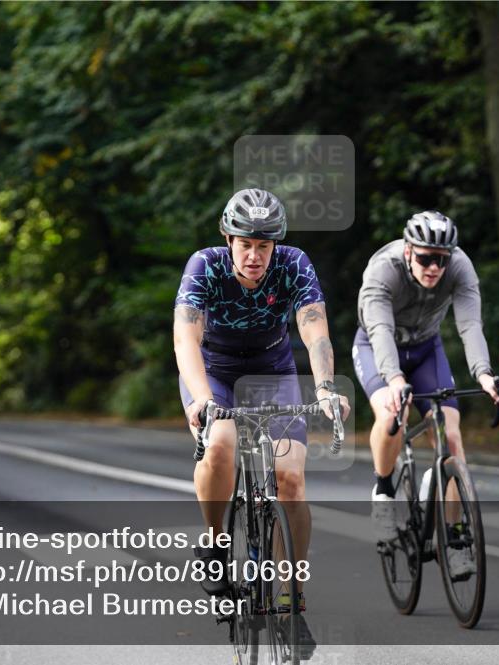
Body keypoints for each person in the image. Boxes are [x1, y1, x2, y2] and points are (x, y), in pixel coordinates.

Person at [173, 188, 351, 615]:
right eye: (246, 244)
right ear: (228, 239)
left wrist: (325, 386)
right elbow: (186, 337)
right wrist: (201, 399)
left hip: (272, 370)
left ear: (276, 245)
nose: (255, 255)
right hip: (214, 371)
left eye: (264, 246)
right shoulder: (205, 265)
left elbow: (314, 329)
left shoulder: (294, 264)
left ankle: (291, 582)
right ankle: (216, 544)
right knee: (219, 445)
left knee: (290, 480)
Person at [353, 210, 499, 578]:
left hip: (425, 350)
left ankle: (454, 540)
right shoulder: (383, 270)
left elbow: (470, 324)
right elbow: (379, 330)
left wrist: (485, 375)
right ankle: (384, 492)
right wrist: (393, 380)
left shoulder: (459, 266)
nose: (434, 266)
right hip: (377, 348)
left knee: (451, 436)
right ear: (408, 251)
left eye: (441, 259)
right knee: (393, 415)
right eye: (425, 258)